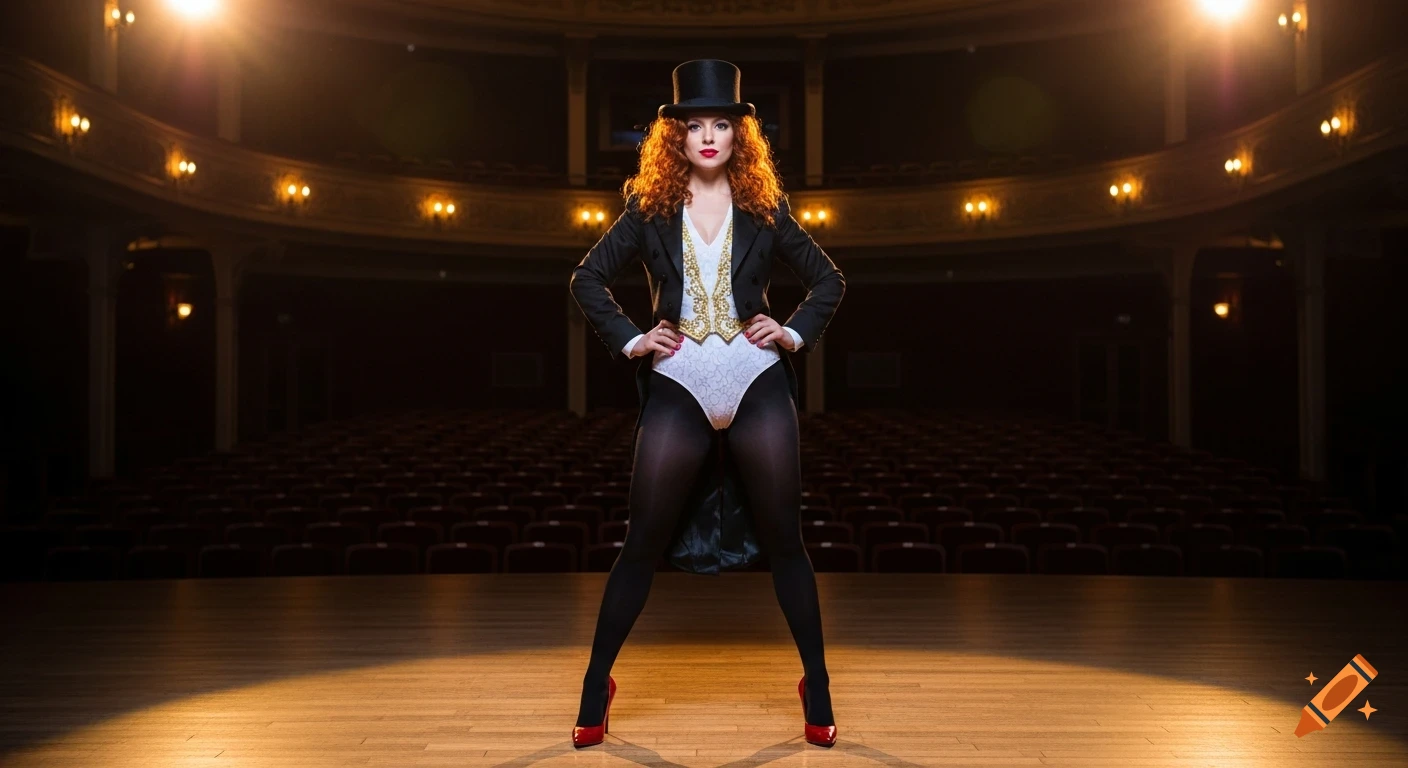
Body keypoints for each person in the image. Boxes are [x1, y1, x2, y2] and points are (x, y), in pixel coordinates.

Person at [568, 59, 845, 749]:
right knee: (640, 544)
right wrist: (633, 338)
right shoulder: (649, 210)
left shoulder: (765, 210)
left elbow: (829, 282)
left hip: (753, 377)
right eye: (696, 126)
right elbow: (588, 278)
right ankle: (595, 685)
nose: (711, 136)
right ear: (676, 140)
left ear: (740, 136)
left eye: (723, 123)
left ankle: (817, 683)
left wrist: (791, 332)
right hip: (680, 377)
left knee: (787, 541)